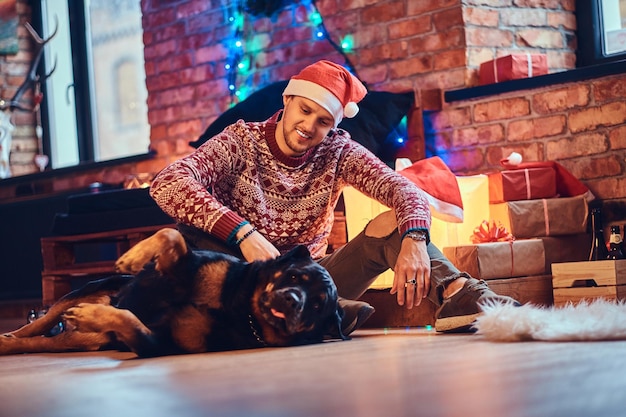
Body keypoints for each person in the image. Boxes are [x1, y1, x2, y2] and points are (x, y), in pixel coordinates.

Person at [150, 60, 519, 335]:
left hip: (308, 283)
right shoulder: (241, 141)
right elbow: (167, 182)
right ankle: (317, 322)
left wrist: (416, 238)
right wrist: (243, 234)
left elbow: (403, 189)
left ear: (335, 125)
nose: (310, 126)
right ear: (288, 99)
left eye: (324, 121)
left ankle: (458, 294)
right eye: (305, 110)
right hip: (240, 285)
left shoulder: (338, 151)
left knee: (393, 224)